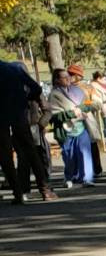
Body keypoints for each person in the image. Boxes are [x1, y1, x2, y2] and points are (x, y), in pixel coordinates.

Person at [0, 58, 52, 203]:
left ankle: (18, 193)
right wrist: (24, 99)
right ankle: (45, 190)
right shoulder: (14, 69)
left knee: (5, 156)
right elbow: (36, 88)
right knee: (31, 151)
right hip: (19, 114)